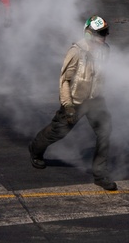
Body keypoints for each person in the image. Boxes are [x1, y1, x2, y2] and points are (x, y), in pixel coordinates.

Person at [29, 15, 116, 191]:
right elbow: (64, 81)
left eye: (106, 32)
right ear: (89, 34)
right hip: (75, 102)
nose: (105, 36)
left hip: (96, 100)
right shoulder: (76, 52)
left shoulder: (105, 50)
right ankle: (35, 149)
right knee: (58, 132)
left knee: (105, 132)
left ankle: (100, 174)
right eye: (101, 33)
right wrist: (68, 105)